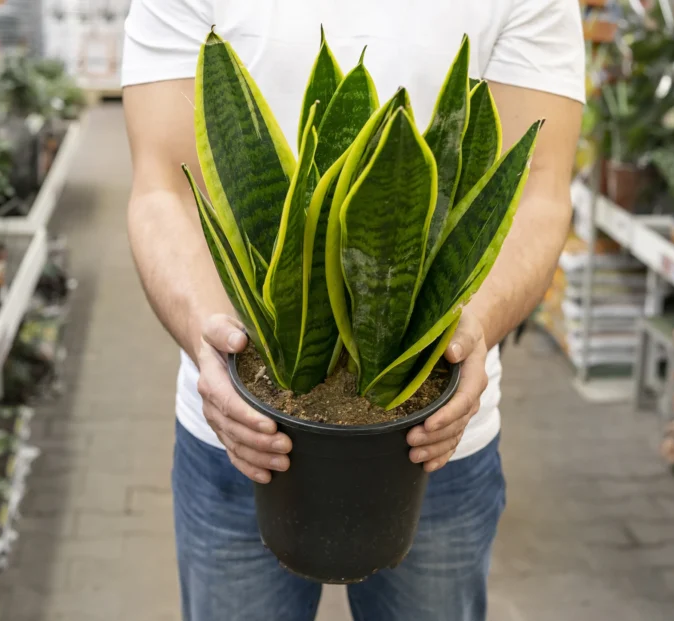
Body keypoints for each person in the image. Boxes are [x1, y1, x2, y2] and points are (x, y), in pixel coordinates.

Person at [121, 1, 584, 619]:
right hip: (236, 428)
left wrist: (472, 327)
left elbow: (539, 189)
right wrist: (211, 344)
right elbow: (161, 188)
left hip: (438, 441)